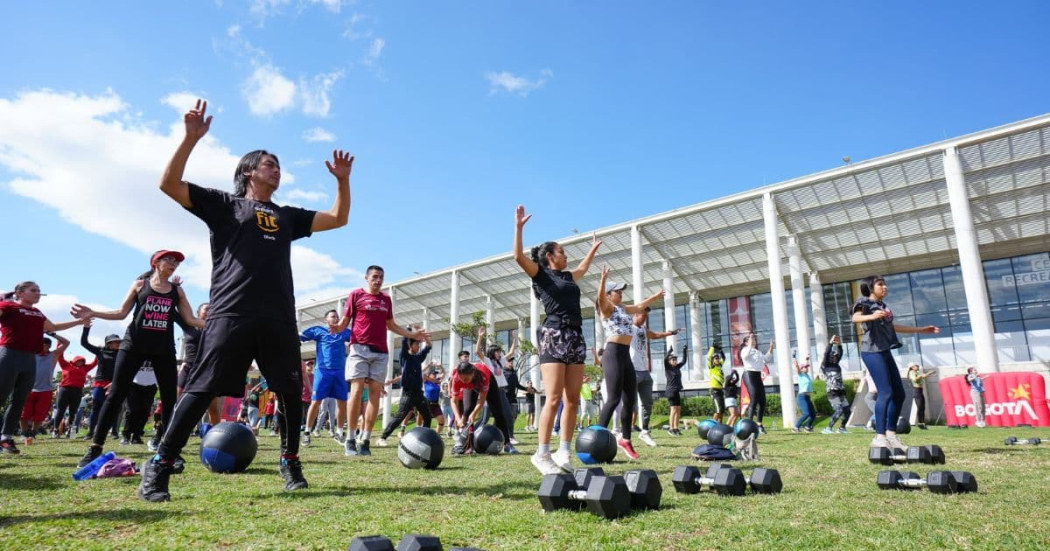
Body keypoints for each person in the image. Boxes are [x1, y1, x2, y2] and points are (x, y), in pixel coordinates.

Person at [138, 98, 355, 502]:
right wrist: (189, 139)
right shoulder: (225, 205)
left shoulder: (287, 216)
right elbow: (168, 184)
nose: (276, 168)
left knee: (291, 393)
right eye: (268, 163)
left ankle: (290, 462)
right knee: (201, 390)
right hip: (230, 313)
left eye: (278, 163)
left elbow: (338, 218)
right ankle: (160, 466)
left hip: (276, 317)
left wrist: (342, 180)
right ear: (249, 172)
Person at [72, 250, 205, 469]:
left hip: (162, 349)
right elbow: (121, 313)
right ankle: (95, 448)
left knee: (171, 399)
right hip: (133, 346)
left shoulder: (177, 291)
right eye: (169, 260)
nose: (174, 264)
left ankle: (169, 450)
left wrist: (221, 324)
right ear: (156, 263)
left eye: (177, 262)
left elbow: (190, 319)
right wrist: (92, 312)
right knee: (115, 396)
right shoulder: (139, 285)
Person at [513, 205, 601, 474]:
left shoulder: (567, 276)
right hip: (554, 335)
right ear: (550, 256)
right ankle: (541, 454)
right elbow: (517, 256)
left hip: (575, 335)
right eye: (562, 251)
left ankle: (564, 451)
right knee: (553, 398)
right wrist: (518, 227)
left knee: (572, 398)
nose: (566, 255)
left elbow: (583, 269)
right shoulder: (541, 275)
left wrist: (593, 249)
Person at [329, 265, 428, 457]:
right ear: (366, 278)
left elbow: (391, 325)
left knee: (375, 395)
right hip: (359, 349)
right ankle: (350, 439)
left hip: (381, 353)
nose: (378, 280)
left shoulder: (386, 299)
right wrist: (337, 328)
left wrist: (411, 334)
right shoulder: (356, 295)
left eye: (381, 277)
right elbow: (344, 322)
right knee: (356, 391)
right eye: (374, 276)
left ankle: (365, 439)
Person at [852, 275, 938, 449]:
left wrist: (921, 329)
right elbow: (855, 318)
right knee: (885, 392)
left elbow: (892, 327)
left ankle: (891, 435)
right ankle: (879, 437)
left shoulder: (884, 307)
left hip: (884, 352)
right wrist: (871, 316)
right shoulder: (864, 302)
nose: (885, 287)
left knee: (899, 394)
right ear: (870, 287)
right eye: (880, 285)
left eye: (885, 284)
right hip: (871, 352)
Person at [0, 281, 82, 454]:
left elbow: (53, 328)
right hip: (9, 355)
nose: (38, 293)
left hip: (29, 359)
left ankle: (6, 438)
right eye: (33, 290)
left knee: (19, 400)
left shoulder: (37, 313)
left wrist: (79, 321)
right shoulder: (8, 307)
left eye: (39, 291)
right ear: (19, 293)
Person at [594, 267, 666, 460]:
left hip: (625, 356)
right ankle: (595, 436)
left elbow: (640, 305)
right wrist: (602, 281)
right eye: (617, 291)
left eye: (620, 290)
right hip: (613, 354)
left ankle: (626, 439)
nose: (620, 292)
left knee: (630, 400)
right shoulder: (606, 307)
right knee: (613, 398)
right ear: (609, 295)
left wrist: (656, 296)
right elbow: (600, 298)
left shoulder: (623, 308)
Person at [627, 307, 680, 446]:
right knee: (629, 404)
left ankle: (644, 432)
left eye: (646, 316)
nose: (645, 319)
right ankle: (624, 434)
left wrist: (670, 333)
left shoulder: (643, 330)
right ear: (636, 314)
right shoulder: (628, 328)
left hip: (644, 371)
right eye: (643, 316)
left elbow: (655, 335)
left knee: (648, 404)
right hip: (632, 370)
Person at [300, 309, 351, 446]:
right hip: (322, 372)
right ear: (326, 320)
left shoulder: (344, 332)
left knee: (342, 402)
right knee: (316, 402)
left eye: (337, 317)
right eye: (333, 317)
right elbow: (299, 336)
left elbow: (359, 338)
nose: (336, 319)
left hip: (339, 372)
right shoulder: (318, 330)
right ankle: (307, 433)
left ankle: (339, 433)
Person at [175, 303, 222, 442]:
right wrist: (175, 290)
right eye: (207, 308)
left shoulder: (217, 327)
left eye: (212, 309)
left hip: (208, 369)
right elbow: (176, 311)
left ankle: (218, 437)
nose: (210, 311)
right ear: (198, 311)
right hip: (188, 367)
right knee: (177, 405)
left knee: (212, 407)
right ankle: (168, 434)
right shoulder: (188, 325)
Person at [377, 330, 433, 447]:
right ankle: (382, 438)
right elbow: (403, 342)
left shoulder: (418, 358)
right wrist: (408, 332)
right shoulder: (405, 357)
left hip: (419, 394)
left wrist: (426, 337)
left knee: (427, 416)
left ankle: (424, 438)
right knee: (399, 417)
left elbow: (429, 346)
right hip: (408, 394)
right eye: (416, 344)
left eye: (418, 344)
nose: (418, 346)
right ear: (410, 345)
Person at [474, 327, 519, 451]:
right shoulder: (487, 361)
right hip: (489, 392)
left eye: (500, 351)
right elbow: (477, 351)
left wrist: (514, 339)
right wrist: (480, 336)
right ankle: (470, 435)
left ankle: (508, 441)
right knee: (485, 419)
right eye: (498, 351)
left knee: (508, 416)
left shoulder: (501, 362)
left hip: (501, 392)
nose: (500, 353)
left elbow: (511, 352)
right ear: (492, 352)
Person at [19, 333, 69, 445]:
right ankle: (23, 433)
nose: (44, 347)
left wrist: (53, 334)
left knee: (39, 414)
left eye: (46, 345)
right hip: (29, 388)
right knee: (24, 413)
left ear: (49, 346)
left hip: (46, 390)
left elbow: (66, 342)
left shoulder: (53, 355)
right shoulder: (30, 354)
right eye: (41, 344)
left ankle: (33, 433)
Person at [80, 319, 121, 440]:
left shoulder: (123, 353)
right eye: (115, 342)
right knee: (96, 408)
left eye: (119, 341)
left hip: (115, 384)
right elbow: (84, 343)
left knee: (114, 409)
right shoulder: (100, 351)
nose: (118, 343)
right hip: (100, 384)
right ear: (108, 343)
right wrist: (86, 328)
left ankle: (114, 432)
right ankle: (90, 432)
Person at [56, 352, 97, 439]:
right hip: (65, 389)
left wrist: (99, 352)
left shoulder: (85, 368)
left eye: (82, 361)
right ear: (74, 360)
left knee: (73, 412)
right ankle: (56, 430)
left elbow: (94, 363)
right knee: (60, 410)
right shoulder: (65, 365)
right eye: (79, 361)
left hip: (77, 391)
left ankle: (70, 430)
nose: (80, 363)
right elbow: (60, 356)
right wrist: (60, 344)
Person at [739, 333, 773, 434]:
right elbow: (745, 356)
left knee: (762, 400)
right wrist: (750, 340)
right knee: (753, 398)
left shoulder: (757, 351)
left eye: (754, 339)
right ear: (746, 343)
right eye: (751, 339)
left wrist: (771, 348)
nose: (754, 341)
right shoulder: (745, 350)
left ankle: (759, 425)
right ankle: (748, 425)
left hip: (757, 375)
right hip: (749, 374)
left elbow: (766, 358)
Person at [121, 359, 158, 445]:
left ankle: (137, 436)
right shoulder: (137, 350)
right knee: (131, 411)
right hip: (133, 384)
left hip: (151, 385)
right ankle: (126, 435)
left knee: (144, 412)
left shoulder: (158, 351)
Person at [820, 336, 850, 434]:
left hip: (840, 391)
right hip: (832, 392)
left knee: (847, 411)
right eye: (834, 356)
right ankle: (828, 428)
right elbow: (826, 354)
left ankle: (842, 428)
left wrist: (839, 344)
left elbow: (841, 353)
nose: (836, 357)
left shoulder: (837, 365)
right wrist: (831, 343)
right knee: (839, 410)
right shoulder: (826, 365)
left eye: (836, 356)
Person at [664, 344, 688, 435]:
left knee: (678, 408)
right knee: (673, 408)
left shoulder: (677, 367)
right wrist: (669, 351)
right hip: (670, 390)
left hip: (677, 390)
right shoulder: (668, 368)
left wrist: (684, 350)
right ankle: (671, 428)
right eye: (673, 359)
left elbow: (684, 361)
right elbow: (664, 359)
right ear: (669, 361)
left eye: (675, 359)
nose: (674, 360)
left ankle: (676, 428)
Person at [792, 353, 816, 433]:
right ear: (802, 369)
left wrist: (807, 359)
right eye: (805, 368)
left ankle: (807, 427)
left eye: (807, 367)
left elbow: (805, 364)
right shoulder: (801, 375)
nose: (807, 368)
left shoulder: (807, 375)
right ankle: (795, 427)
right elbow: (797, 367)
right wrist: (794, 358)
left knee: (813, 414)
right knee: (806, 413)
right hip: (802, 397)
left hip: (807, 398)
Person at [908, 362, 935, 430]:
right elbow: (914, 379)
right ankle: (920, 423)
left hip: (920, 390)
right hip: (916, 391)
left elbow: (924, 376)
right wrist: (921, 376)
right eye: (915, 366)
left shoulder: (918, 372)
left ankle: (922, 423)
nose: (917, 366)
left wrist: (929, 373)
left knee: (922, 407)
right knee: (920, 406)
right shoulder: (911, 372)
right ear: (912, 367)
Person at [707, 345, 727, 424]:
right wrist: (712, 347)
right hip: (714, 391)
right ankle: (713, 426)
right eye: (715, 358)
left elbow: (724, 358)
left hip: (720, 391)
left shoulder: (720, 365)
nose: (717, 359)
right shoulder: (711, 367)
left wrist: (720, 350)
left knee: (722, 410)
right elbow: (708, 356)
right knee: (718, 410)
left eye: (718, 358)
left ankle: (720, 425)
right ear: (712, 360)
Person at [862, 367, 878, 431]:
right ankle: (868, 425)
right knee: (877, 411)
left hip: (873, 395)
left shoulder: (869, 375)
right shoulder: (870, 374)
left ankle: (869, 425)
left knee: (878, 411)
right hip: (870, 397)